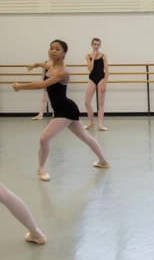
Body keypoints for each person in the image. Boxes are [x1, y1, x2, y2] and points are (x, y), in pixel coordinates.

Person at [12, 39, 110, 181]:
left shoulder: (63, 72)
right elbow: (45, 65)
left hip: (65, 110)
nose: (53, 51)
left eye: (57, 49)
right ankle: (103, 161)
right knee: (85, 137)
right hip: (64, 109)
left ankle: (41, 169)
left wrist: (20, 86)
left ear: (64, 53)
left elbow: (43, 84)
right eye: (51, 48)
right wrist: (35, 64)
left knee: (44, 138)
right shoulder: (51, 64)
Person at [84, 38, 109, 131]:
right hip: (92, 79)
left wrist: (105, 83)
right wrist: (93, 58)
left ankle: (100, 124)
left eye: (98, 44)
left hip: (101, 79)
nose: (96, 46)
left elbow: (107, 70)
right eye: (94, 44)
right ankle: (91, 122)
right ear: (92, 45)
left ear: (100, 45)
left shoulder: (103, 55)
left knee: (101, 103)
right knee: (87, 102)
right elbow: (90, 69)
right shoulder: (88, 56)